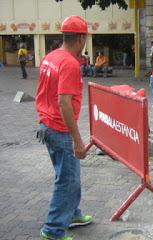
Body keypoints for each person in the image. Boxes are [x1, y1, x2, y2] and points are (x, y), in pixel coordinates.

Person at [35, 16, 92, 240]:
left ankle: (73, 214)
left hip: (46, 125)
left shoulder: (51, 57)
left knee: (70, 175)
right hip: (59, 129)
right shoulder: (69, 63)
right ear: (81, 38)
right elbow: (63, 102)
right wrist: (77, 139)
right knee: (66, 180)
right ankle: (53, 229)